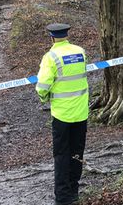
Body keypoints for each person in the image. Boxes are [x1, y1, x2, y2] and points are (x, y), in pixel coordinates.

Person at [35, 23, 89, 205]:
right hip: (81, 113)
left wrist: (44, 97)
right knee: (77, 152)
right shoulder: (80, 52)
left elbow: (42, 86)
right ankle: (74, 190)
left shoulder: (50, 57)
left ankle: (63, 197)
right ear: (67, 35)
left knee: (61, 154)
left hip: (61, 115)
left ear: (52, 37)